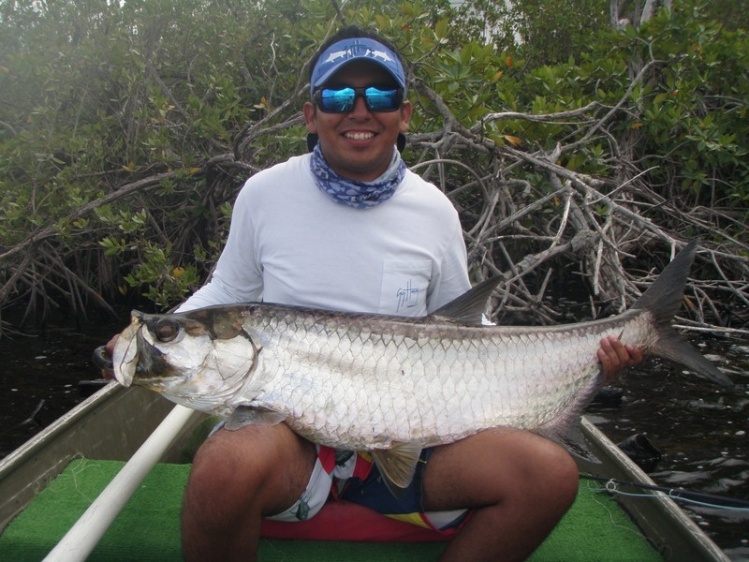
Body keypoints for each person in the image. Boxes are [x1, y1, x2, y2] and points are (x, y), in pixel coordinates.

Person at [107, 26, 642, 562]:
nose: (358, 111)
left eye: (379, 95)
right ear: (311, 116)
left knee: (548, 475)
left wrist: (590, 364)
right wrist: (159, 333)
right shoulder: (265, 193)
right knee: (222, 466)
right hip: (291, 437)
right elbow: (228, 289)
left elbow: (470, 336)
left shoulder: (434, 211)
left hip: (419, 432)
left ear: (404, 114)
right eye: (338, 96)